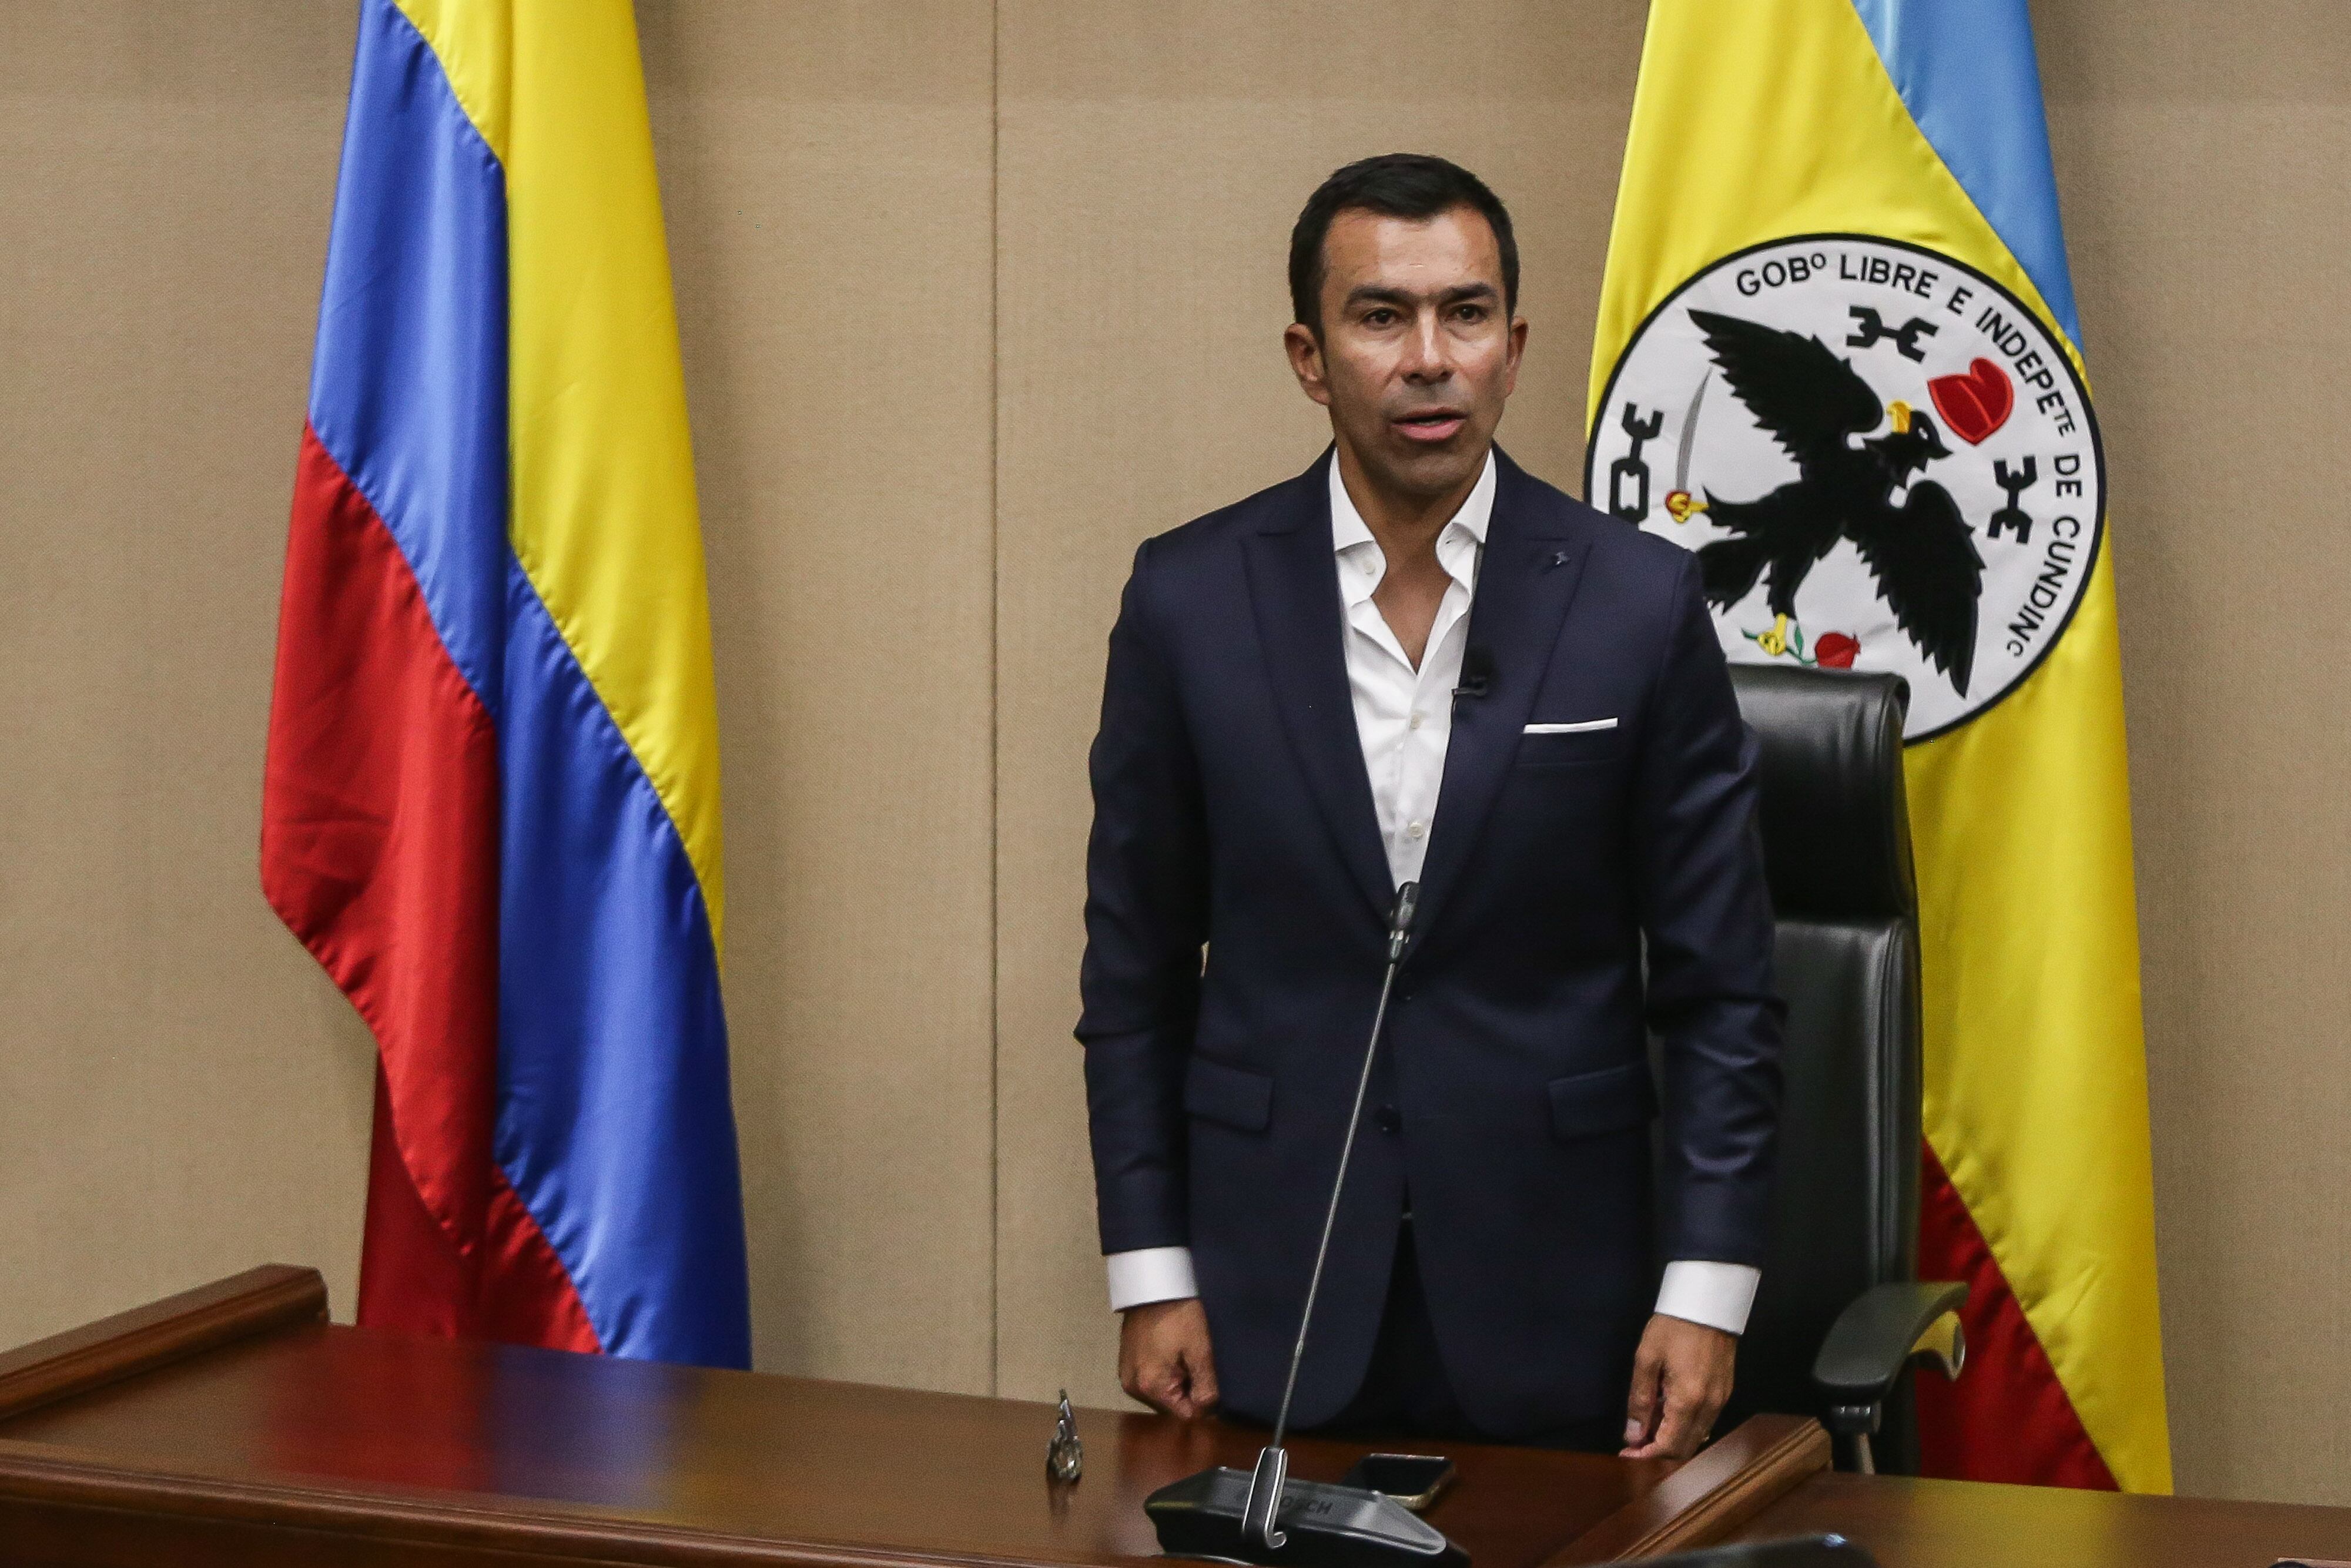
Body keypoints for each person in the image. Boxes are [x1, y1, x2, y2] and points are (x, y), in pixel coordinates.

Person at [1077, 154, 1782, 1460]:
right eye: (1378, 316)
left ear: (1513, 347)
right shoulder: (1187, 600)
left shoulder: (1636, 603)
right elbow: (1133, 975)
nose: (1426, 358)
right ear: (1307, 352)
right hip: (1260, 1295)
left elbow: (1721, 991)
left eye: (1463, 314)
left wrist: (1704, 1286)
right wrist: (1148, 1263)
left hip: (1566, 1297)